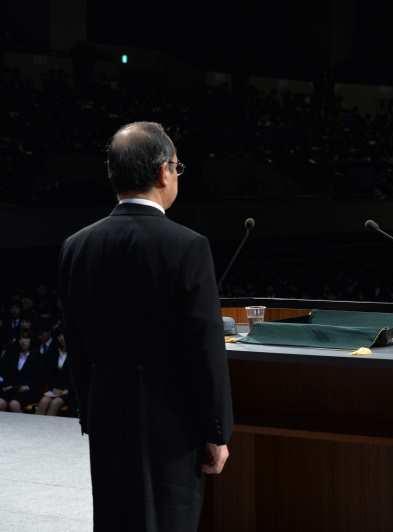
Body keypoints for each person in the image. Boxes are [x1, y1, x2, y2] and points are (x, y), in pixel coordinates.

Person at [58, 122, 233, 531]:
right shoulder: (188, 245)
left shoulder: (76, 245)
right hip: (172, 426)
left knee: (116, 519)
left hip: (107, 415)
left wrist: (90, 413)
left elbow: (77, 343)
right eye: (177, 166)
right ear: (162, 171)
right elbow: (204, 345)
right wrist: (217, 430)